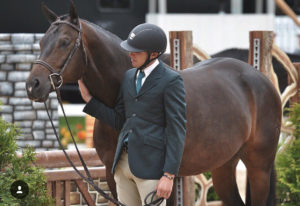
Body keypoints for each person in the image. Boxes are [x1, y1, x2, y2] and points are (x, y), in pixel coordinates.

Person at [78, 23, 186, 206]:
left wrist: (168, 175)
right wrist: (90, 101)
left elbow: (177, 130)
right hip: (123, 165)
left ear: (153, 54)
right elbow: (120, 119)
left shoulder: (171, 81)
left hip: (152, 168)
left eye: (136, 51)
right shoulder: (129, 77)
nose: (131, 54)